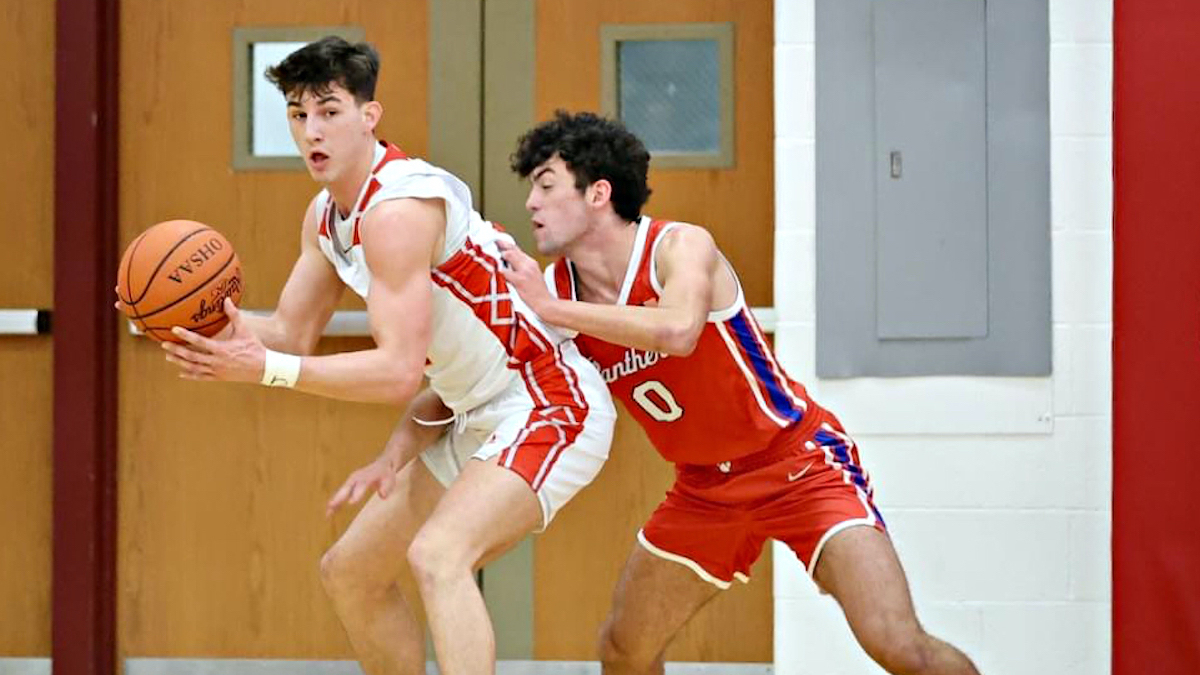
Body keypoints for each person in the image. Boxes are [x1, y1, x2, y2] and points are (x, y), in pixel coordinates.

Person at [145, 41, 616, 675]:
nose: (312, 131)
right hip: (470, 410)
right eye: (298, 114)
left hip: (548, 399)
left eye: (329, 111)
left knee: (438, 556)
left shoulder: (397, 210)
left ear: (369, 116)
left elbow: (396, 372)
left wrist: (265, 370)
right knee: (351, 574)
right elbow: (287, 335)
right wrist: (183, 323)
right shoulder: (325, 217)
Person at [493, 111, 982, 675]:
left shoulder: (678, 247)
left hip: (799, 463)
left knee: (897, 644)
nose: (531, 202)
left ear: (598, 193)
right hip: (704, 490)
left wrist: (550, 310)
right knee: (624, 651)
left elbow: (678, 331)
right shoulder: (555, 292)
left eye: (546, 185)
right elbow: (505, 374)